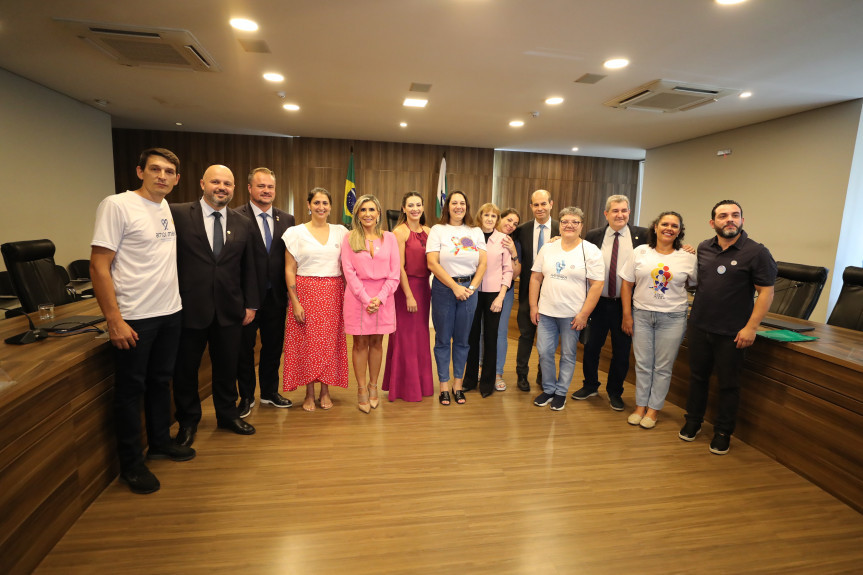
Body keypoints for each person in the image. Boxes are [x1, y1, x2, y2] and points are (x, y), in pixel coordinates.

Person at [90, 147, 194, 494]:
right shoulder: (117, 205)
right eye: (155, 169)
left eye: (169, 172)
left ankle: (161, 442)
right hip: (135, 317)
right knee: (130, 391)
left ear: (177, 180)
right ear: (140, 171)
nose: (162, 176)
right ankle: (132, 465)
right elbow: (99, 265)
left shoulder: (163, 206)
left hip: (170, 312)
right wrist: (113, 319)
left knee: (160, 382)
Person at [171, 164, 260, 446]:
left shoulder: (242, 222)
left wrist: (251, 305)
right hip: (188, 309)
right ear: (202, 184)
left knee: (227, 367)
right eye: (216, 182)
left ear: (234, 188)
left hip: (230, 310)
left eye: (227, 184)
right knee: (186, 370)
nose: (222, 187)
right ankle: (188, 422)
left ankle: (227, 414)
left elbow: (249, 268)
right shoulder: (178, 214)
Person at [679, 200, 776, 455]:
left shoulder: (756, 252)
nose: (729, 219)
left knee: (728, 384)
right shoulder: (703, 248)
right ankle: (693, 421)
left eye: (735, 215)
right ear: (713, 223)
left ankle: (723, 432)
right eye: (723, 216)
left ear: (743, 220)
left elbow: (766, 292)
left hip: (733, 332)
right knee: (697, 377)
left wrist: (751, 327)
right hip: (700, 326)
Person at [620, 211, 697, 429]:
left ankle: (653, 410)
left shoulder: (688, 257)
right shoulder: (640, 251)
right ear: (655, 227)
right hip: (641, 315)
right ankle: (640, 407)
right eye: (665, 224)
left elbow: (694, 284)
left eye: (674, 225)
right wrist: (627, 315)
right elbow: (627, 284)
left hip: (673, 317)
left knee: (663, 367)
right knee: (643, 365)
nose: (669, 228)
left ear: (679, 231)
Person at [573, 194, 648, 411]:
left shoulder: (642, 235)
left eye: (624, 210)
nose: (620, 214)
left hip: (625, 306)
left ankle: (615, 392)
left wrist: (686, 249)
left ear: (629, 213)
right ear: (606, 214)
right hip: (597, 303)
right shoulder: (594, 235)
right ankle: (590, 385)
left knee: (621, 352)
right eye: (615, 211)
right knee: (591, 347)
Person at [529, 207, 604, 411]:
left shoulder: (590, 251)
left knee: (569, 355)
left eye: (574, 222)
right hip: (546, 312)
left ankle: (561, 392)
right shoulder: (548, 248)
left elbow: (597, 284)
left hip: (573, 315)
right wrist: (533, 305)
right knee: (544, 352)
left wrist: (584, 314)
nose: (569, 225)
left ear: (581, 225)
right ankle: (549, 389)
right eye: (565, 222)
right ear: (559, 224)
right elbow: (536, 277)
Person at [235, 167, 295, 418]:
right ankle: (246, 396)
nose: (266, 191)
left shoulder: (287, 219)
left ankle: (269, 392)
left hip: (276, 298)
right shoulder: (235, 217)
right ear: (250, 188)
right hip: (247, 299)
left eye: (270, 187)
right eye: (261, 186)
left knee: (273, 348)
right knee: (244, 350)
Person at [283, 188, 350, 411]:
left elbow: (348, 266)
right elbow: (290, 269)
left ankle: (325, 391)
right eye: (316, 202)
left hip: (333, 293)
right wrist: (295, 302)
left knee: (330, 344)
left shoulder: (341, 232)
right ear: (308, 205)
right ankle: (309, 393)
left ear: (331, 207)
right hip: (305, 293)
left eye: (325, 203)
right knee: (307, 345)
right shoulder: (295, 233)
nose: (321, 207)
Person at [341, 195, 401, 413]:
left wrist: (381, 298)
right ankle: (361, 389)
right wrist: (367, 299)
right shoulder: (350, 238)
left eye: (372, 209)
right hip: (358, 298)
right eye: (363, 210)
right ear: (357, 214)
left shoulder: (390, 238)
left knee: (377, 343)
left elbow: (395, 274)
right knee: (359, 344)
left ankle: (374, 386)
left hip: (384, 298)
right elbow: (348, 272)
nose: (367, 213)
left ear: (378, 213)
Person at [426, 190, 487, 405]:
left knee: (462, 340)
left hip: (470, 290)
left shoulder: (476, 231)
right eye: (454, 203)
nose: (458, 206)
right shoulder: (438, 230)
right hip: (444, 289)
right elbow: (432, 263)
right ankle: (443, 384)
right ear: (447, 206)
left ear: (467, 206)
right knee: (443, 339)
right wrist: (454, 287)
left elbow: (483, 263)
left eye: (462, 203)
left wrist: (470, 287)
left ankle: (457, 385)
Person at [381, 191, 434, 402]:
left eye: (418, 204)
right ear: (403, 208)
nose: (415, 208)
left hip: (424, 288)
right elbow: (399, 267)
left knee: (421, 337)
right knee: (405, 338)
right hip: (406, 290)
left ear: (423, 207)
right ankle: (404, 387)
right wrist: (409, 295)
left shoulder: (430, 231)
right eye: (410, 205)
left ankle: (421, 384)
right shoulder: (398, 232)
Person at [464, 203, 513, 397]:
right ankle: (469, 379)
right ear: (480, 216)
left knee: (491, 338)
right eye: (487, 215)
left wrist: (501, 297)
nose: (490, 219)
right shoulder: (471, 236)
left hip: (494, 294)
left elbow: (508, 270)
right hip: (473, 291)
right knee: (472, 337)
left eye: (494, 216)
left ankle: (487, 383)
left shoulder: (503, 240)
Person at [515, 190, 559, 392]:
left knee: (547, 340)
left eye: (544, 204)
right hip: (526, 293)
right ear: (531, 207)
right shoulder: (522, 230)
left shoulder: (562, 229)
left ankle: (544, 376)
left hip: (553, 294)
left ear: (551, 204)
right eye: (536, 205)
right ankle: (521, 375)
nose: (540, 208)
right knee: (525, 336)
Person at [494, 208, 522, 391]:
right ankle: (480, 367)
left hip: (506, 292)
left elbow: (516, 274)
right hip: (483, 291)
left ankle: (497, 373)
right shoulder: (484, 235)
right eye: (509, 220)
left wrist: (513, 251)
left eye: (515, 223)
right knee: (480, 330)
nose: (511, 225)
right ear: (500, 218)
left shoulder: (515, 243)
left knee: (500, 333)